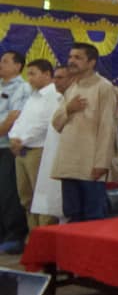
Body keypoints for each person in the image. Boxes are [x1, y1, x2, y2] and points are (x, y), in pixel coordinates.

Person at [51, 43, 118, 222]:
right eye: (70, 57)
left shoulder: (104, 87)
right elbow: (56, 123)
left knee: (93, 217)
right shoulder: (71, 87)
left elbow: (108, 127)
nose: (71, 61)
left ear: (91, 62)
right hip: (69, 163)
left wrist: (102, 163)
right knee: (72, 215)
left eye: (78, 57)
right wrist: (69, 109)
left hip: (90, 165)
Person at [8, 59, 59, 231]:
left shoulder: (54, 96)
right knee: (26, 197)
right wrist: (13, 137)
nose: (29, 78)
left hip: (39, 151)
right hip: (21, 152)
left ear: (47, 74)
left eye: (33, 74)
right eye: (28, 74)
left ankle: (44, 236)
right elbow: (20, 120)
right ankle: (33, 234)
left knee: (42, 197)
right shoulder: (33, 96)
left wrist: (22, 140)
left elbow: (46, 123)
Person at [32, 67, 71, 223]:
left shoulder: (74, 100)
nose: (55, 81)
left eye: (60, 78)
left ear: (71, 79)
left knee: (66, 203)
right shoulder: (56, 99)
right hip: (51, 156)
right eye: (55, 77)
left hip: (67, 158)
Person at [0, 51, 29, 254]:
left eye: (5, 61)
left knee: (9, 193)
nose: (0, 64)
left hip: (8, 148)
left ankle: (14, 237)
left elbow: (13, 119)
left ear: (18, 66)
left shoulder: (23, 88)